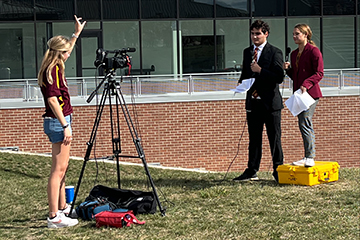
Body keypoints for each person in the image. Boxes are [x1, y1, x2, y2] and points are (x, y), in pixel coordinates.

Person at [37, 15, 86, 228]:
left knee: (63, 168)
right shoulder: (53, 71)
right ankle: (53, 216)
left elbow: (67, 49)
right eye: (66, 52)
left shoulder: (55, 65)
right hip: (59, 122)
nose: (69, 55)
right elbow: (52, 100)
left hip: (60, 121)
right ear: (60, 54)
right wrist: (66, 126)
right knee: (57, 170)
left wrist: (76, 33)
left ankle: (63, 208)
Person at [233, 20, 284, 182]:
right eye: (252, 33)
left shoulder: (275, 52)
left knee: (274, 138)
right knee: (254, 139)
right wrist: (241, 81)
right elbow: (246, 72)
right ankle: (251, 170)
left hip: (270, 103)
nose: (255, 37)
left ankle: (278, 170)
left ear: (266, 34)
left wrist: (260, 70)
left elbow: (279, 77)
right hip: (253, 102)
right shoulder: (247, 52)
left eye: (258, 33)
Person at [283, 23, 323, 167]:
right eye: (293, 34)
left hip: (311, 94)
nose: (294, 36)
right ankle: (307, 156)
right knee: (302, 123)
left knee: (305, 122)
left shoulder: (314, 51)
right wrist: (288, 70)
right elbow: (296, 76)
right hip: (299, 93)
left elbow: (319, 73)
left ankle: (310, 156)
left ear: (306, 35)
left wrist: (307, 84)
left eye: (297, 34)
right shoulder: (294, 54)